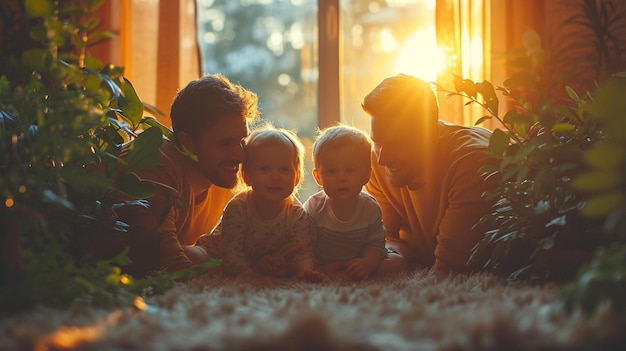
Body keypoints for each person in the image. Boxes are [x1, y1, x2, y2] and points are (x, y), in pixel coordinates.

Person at [111, 73, 259, 275]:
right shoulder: (155, 159)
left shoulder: (223, 176)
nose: (240, 155)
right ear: (188, 142)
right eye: (225, 143)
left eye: (242, 140)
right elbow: (164, 261)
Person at [361, 74, 499, 275]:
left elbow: (450, 269)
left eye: (396, 144)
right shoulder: (375, 163)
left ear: (431, 134)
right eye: (378, 142)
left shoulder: (471, 162)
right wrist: (395, 251)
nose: (382, 160)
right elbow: (384, 239)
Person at [217, 125, 321, 281]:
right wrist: (251, 271)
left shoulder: (296, 213)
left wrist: (303, 270)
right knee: (201, 259)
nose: (275, 177)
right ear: (247, 176)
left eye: (284, 170)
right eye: (265, 169)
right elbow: (231, 254)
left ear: (297, 177)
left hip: (266, 260)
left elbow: (302, 251)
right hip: (219, 251)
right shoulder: (239, 208)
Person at [303, 125, 386, 281]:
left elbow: (375, 243)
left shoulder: (370, 208)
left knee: (395, 263)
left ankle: (355, 271)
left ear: (367, 175)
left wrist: (368, 263)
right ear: (318, 177)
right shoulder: (314, 207)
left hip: (356, 262)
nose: (341, 178)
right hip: (321, 263)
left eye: (350, 170)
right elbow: (306, 245)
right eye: (332, 171)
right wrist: (310, 268)